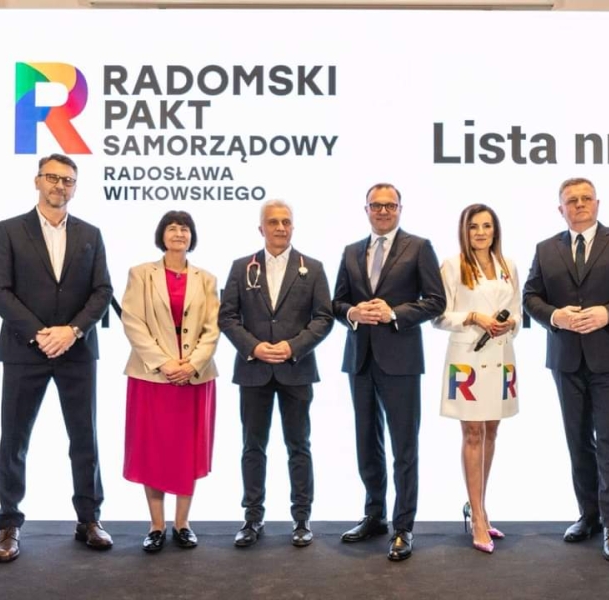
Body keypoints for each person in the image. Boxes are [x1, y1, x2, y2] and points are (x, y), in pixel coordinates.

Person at [523, 177, 609, 563]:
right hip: (566, 359)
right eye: (572, 200)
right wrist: (555, 316)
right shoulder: (546, 249)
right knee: (578, 441)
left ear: (597, 204)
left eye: (586, 198)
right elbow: (530, 297)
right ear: (560, 209)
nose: (580, 204)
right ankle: (589, 516)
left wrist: (608, 313)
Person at [0, 153, 113, 562]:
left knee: (84, 438)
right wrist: (40, 333)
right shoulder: (9, 230)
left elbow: (103, 291)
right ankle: (8, 525)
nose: (60, 185)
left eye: (68, 180)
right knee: (14, 439)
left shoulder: (91, 233)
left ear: (75, 187)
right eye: (53, 178)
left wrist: (72, 331)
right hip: (25, 349)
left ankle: (89, 520)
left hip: (77, 351)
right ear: (37, 181)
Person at [332, 183, 446, 562]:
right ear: (365, 209)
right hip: (360, 359)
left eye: (390, 205)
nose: (383, 211)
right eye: (376, 205)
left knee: (404, 447)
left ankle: (403, 527)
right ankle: (374, 516)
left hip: (401, 359)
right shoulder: (351, 251)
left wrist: (394, 313)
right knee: (367, 442)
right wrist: (353, 312)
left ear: (400, 208)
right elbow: (337, 302)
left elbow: (436, 301)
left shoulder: (419, 247)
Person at [219, 199, 334, 548]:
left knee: (299, 446)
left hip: (296, 370)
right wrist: (253, 347)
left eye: (286, 222)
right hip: (253, 370)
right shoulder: (241, 267)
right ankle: (252, 518)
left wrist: (293, 346)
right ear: (261, 228)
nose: (280, 227)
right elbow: (227, 317)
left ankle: (301, 518)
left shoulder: (312, 268)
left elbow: (324, 318)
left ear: (293, 227)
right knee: (252, 447)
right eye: (273, 222)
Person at [120, 210, 220, 552]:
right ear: (161, 235)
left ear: (192, 236)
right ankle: (156, 525)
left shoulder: (207, 279)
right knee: (153, 451)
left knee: (186, 451)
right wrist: (164, 363)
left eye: (185, 228)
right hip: (151, 376)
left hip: (194, 377)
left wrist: (191, 365)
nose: (179, 233)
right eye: (172, 228)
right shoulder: (140, 274)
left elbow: (212, 328)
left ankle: (182, 524)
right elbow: (133, 322)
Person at [433, 204, 521, 555]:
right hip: (467, 358)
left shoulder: (508, 265)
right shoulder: (452, 265)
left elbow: (517, 312)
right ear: (464, 231)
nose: (481, 233)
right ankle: (479, 518)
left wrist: (509, 324)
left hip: (500, 356)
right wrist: (472, 317)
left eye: (487, 226)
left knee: (491, 430)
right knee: (472, 432)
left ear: (495, 230)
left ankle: (478, 505)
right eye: (474, 227)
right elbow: (438, 316)